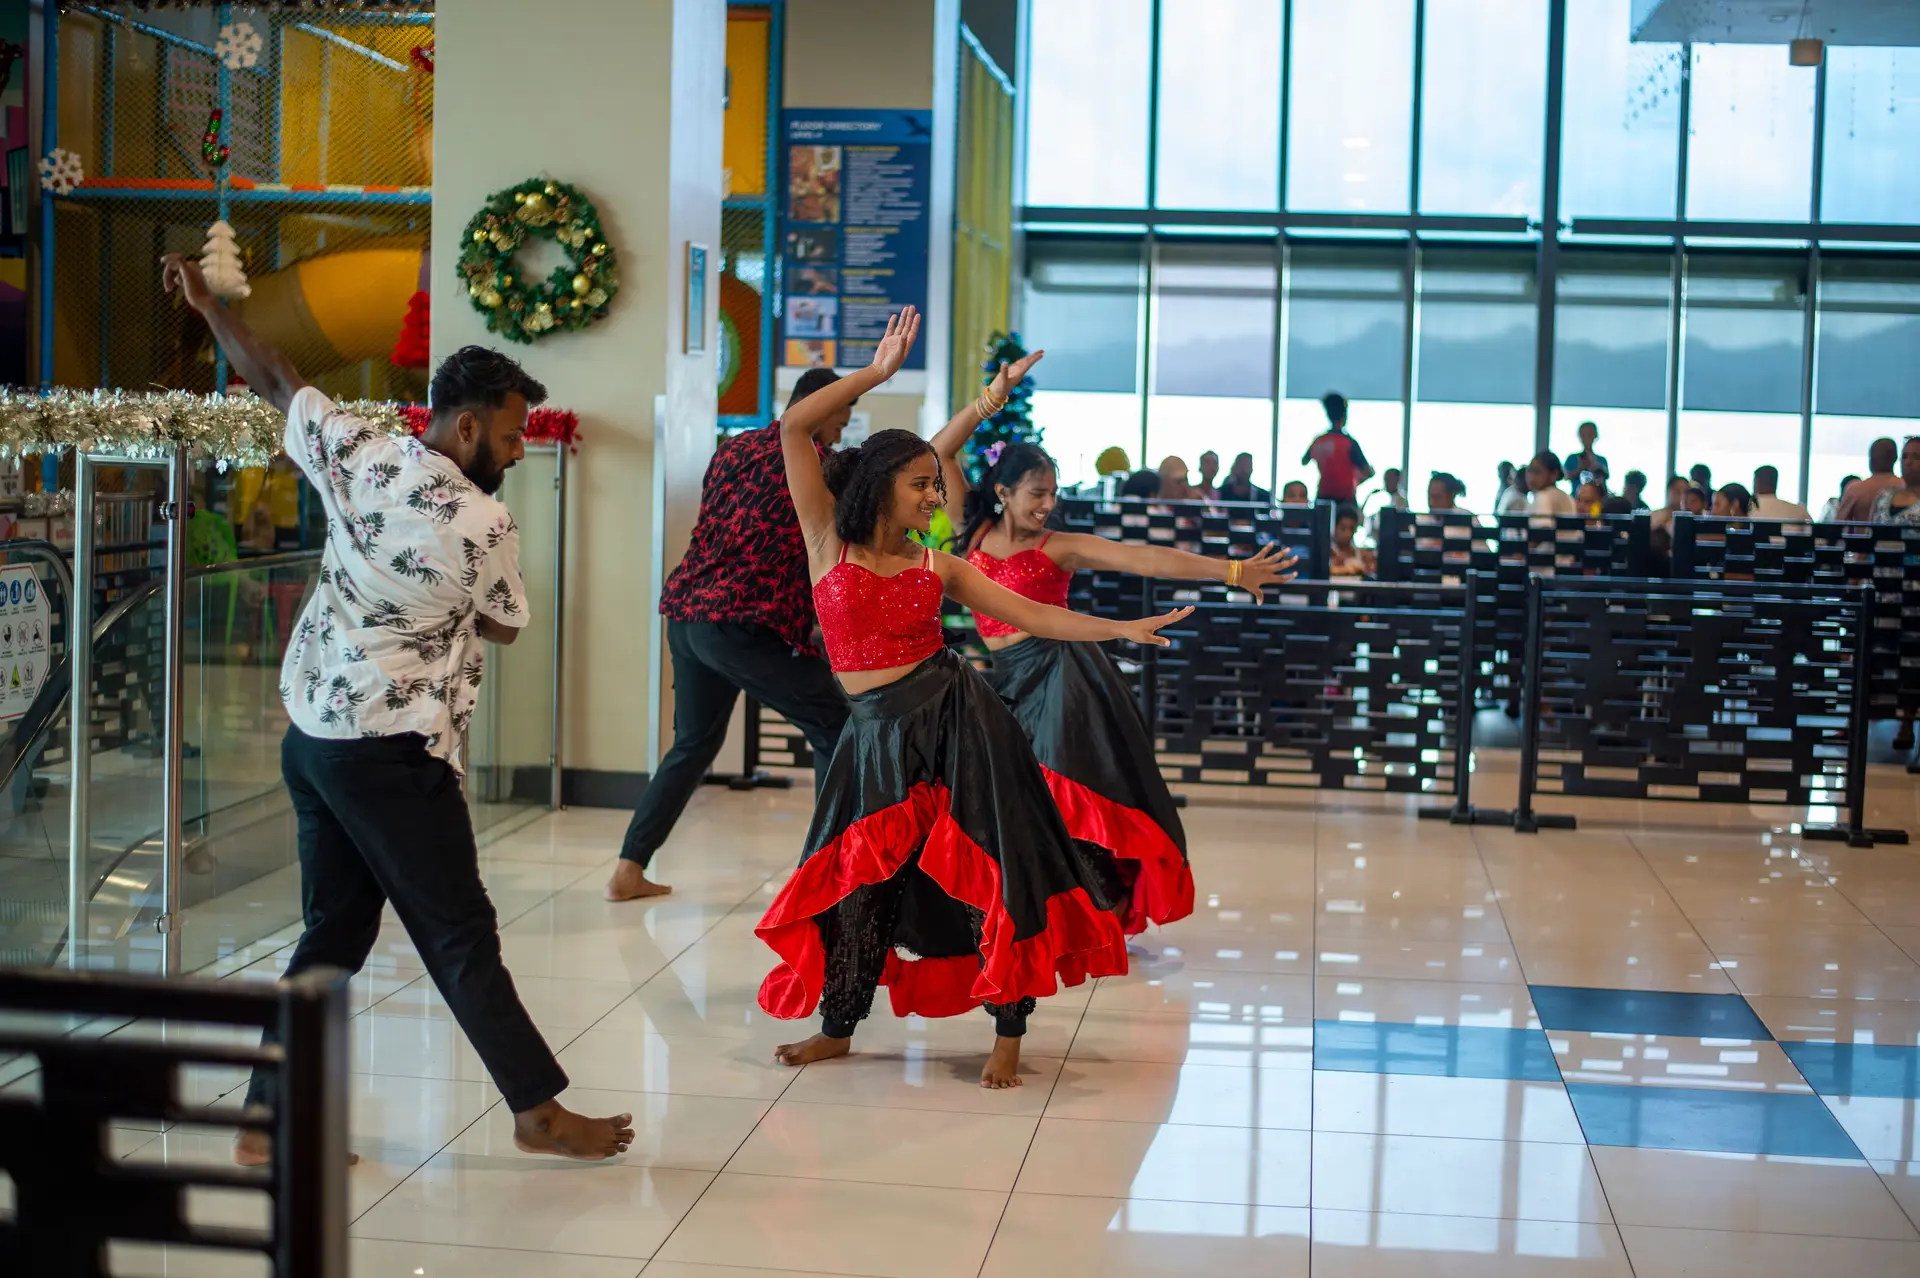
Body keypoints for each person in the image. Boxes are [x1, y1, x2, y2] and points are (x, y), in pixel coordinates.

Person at [160, 253, 635, 1165]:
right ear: (464, 427)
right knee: (461, 933)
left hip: (316, 738)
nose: (519, 447)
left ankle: (266, 1120)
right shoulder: (482, 522)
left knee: (334, 928)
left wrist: (207, 304)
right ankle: (536, 1110)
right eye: (509, 433)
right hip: (390, 753)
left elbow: (276, 376)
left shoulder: (359, 450)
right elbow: (505, 628)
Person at [754, 307, 1192, 1089]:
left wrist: (1123, 625)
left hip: (956, 725)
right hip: (873, 737)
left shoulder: (937, 567)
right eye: (920, 485)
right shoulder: (829, 540)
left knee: (987, 875)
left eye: (934, 485)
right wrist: (877, 377)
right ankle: (838, 1025)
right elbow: (793, 429)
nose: (934, 498)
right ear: (882, 488)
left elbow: (1040, 614)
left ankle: (1008, 1034)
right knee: (860, 883)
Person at [928, 433, 1296, 937]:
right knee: (1019, 795)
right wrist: (989, 402)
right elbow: (942, 449)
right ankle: (1054, 907)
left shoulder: (1058, 546)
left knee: (1064, 791)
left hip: (1063, 672)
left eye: (1053, 492)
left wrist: (1232, 570)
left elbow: (1143, 558)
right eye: (1037, 492)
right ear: (1004, 491)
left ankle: (1092, 909)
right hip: (1009, 680)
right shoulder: (972, 534)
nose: (1049, 504)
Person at [608, 369, 863, 901]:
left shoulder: (734, 449)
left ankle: (628, 869)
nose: (842, 428)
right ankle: (824, 881)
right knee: (835, 722)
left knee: (694, 744)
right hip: (739, 625)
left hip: (688, 613)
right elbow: (821, 546)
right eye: (841, 414)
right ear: (819, 407)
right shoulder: (811, 466)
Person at [1303, 392, 1373, 504]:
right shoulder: (1348, 443)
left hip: (1323, 497)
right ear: (1344, 415)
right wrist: (1356, 481)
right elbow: (1369, 472)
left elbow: (1304, 461)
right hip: (1345, 500)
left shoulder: (1319, 441)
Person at [1838, 439, 1902, 522]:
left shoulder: (1855, 489)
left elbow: (1837, 525)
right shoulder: (1905, 487)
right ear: (1895, 458)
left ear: (1871, 460)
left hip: (1862, 534)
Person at [1330, 505, 1374, 577]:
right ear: (1335, 528)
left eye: (1351, 528)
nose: (1347, 534)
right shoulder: (1329, 553)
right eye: (1343, 528)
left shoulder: (1362, 554)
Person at [1563, 420, 1609, 489]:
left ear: (1595, 436)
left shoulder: (1601, 460)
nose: (1587, 438)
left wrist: (1596, 466)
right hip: (1577, 497)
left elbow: (1605, 477)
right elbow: (1566, 476)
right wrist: (1580, 468)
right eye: (1584, 435)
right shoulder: (1572, 458)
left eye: (1590, 435)